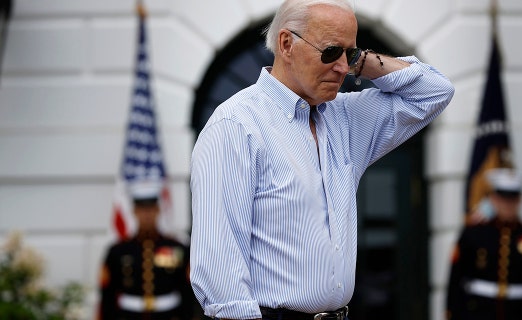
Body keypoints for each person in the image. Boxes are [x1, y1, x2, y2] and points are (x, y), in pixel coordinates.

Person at [189, 0, 455, 319]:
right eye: (330, 52)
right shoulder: (236, 126)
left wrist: (362, 61)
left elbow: (434, 92)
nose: (343, 67)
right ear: (286, 44)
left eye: (350, 54)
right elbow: (220, 273)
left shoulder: (344, 117)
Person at [445, 168, 522, 320]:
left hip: (516, 312)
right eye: (503, 199)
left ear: (520, 200)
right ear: (493, 199)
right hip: (477, 312)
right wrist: (451, 314)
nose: (507, 205)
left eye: (512, 199)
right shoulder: (473, 233)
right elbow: (455, 279)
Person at [98, 181, 196, 320]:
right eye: (142, 210)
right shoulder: (118, 250)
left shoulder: (176, 247)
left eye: (151, 209)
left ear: (158, 210)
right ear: (134, 212)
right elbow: (108, 293)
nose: (147, 215)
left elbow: (187, 290)